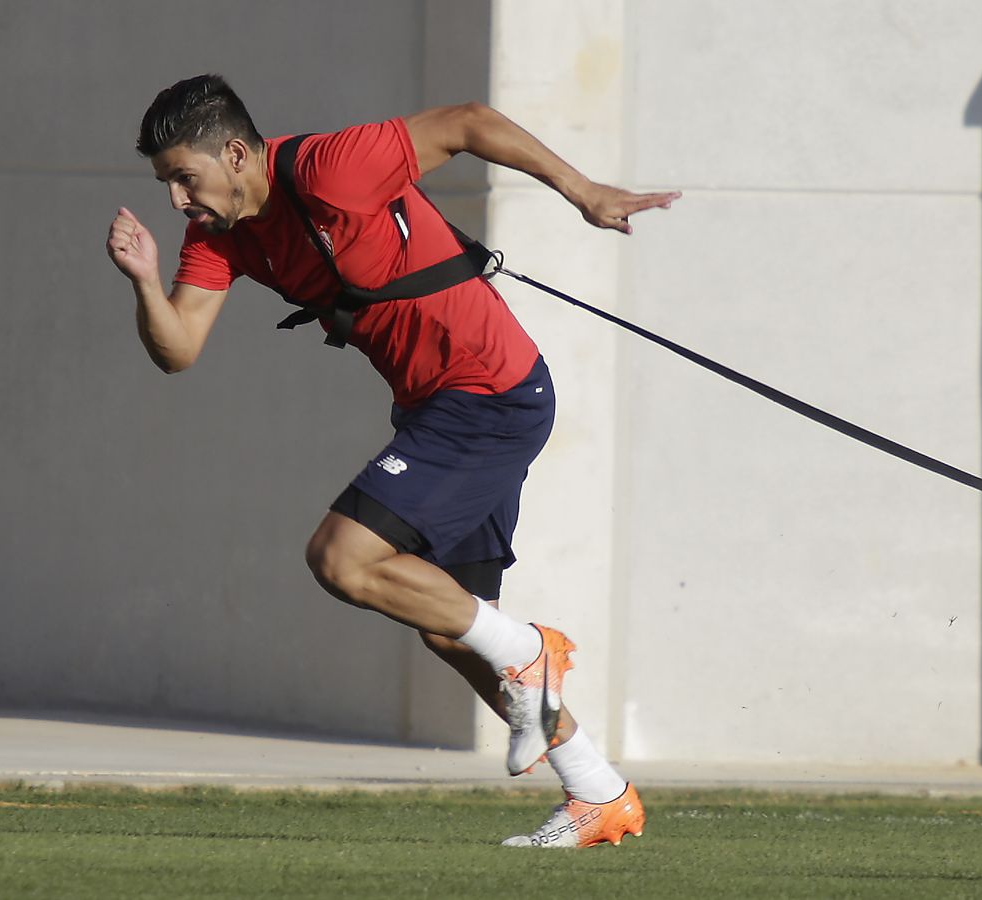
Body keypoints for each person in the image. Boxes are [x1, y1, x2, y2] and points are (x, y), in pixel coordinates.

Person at [105, 74, 677, 848]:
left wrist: (583, 192)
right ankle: (598, 791)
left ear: (235, 152)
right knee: (449, 627)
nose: (178, 199)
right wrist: (143, 282)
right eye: (167, 182)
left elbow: (469, 122)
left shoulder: (333, 167)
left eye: (184, 176)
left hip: (489, 393)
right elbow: (177, 350)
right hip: (436, 407)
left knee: (342, 559)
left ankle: (533, 651)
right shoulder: (218, 233)